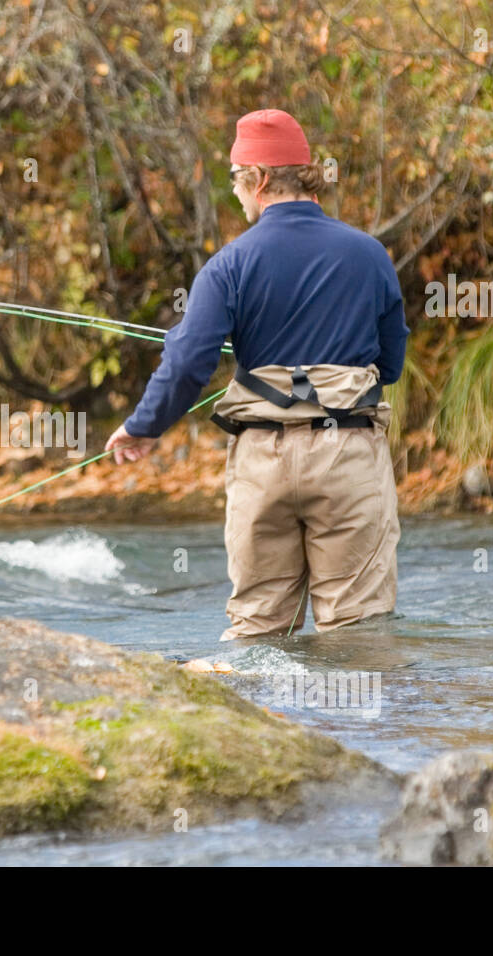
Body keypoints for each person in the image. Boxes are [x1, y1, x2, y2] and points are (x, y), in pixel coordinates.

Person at [106, 108, 409, 640]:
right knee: (358, 630)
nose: (235, 193)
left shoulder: (228, 264)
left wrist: (143, 427)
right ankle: (355, 724)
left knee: (258, 629)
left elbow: (188, 362)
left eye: (235, 178)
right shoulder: (369, 255)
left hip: (262, 460)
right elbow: (390, 364)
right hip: (348, 453)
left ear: (261, 179)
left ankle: (264, 720)